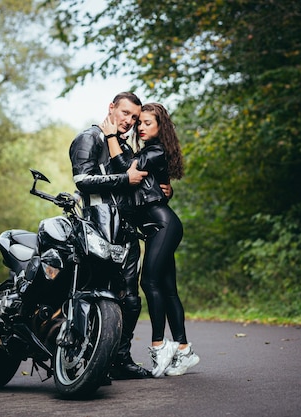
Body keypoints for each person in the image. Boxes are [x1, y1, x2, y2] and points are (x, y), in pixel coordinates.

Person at [100, 102, 199, 377]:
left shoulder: (154, 151)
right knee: (168, 289)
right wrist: (166, 191)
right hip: (160, 225)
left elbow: (124, 171)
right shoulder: (151, 152)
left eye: (146, 123)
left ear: (160, 127)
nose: (139, 127)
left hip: (163, 225)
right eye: (139, 122)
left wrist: (110, 137)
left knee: (149, 282)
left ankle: (159, 345)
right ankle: (183, 351)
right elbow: (159, 187)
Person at [68, 92, 152, 380]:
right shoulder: (88, 138)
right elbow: (82, 180)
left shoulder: (125, 149)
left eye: (134, 118)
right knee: (95, 292)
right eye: (125, 113)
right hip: (96, 228)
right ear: (111, 108)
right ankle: (91, 359)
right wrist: (124, 179)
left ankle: (120, 359)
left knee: (130, 299)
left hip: (127, 233)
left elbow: (140, 182)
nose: (129, 121)